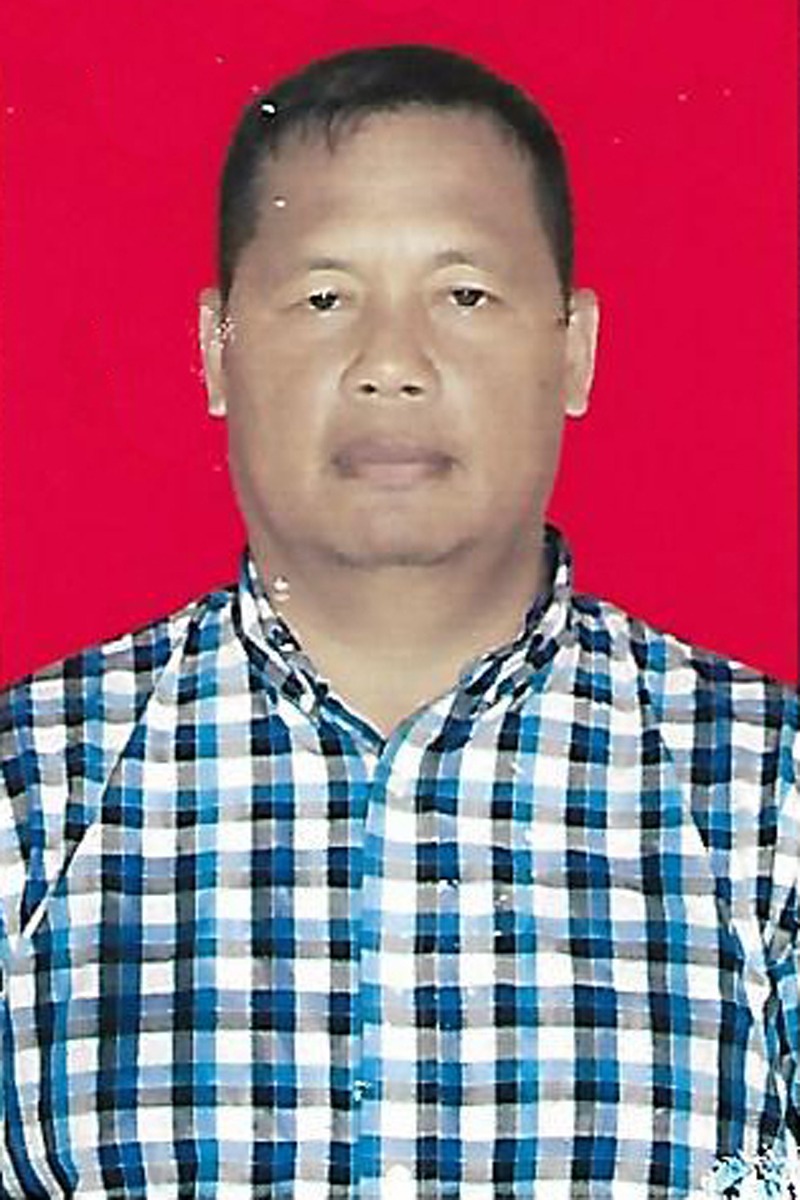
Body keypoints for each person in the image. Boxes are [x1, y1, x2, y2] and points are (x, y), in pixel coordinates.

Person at [0, 42, 797, 1200]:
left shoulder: (766, 794)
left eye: (462, 296)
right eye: (324, 299)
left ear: (572, 349)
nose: (389, 365)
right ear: (217, 349)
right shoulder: (32, 792)